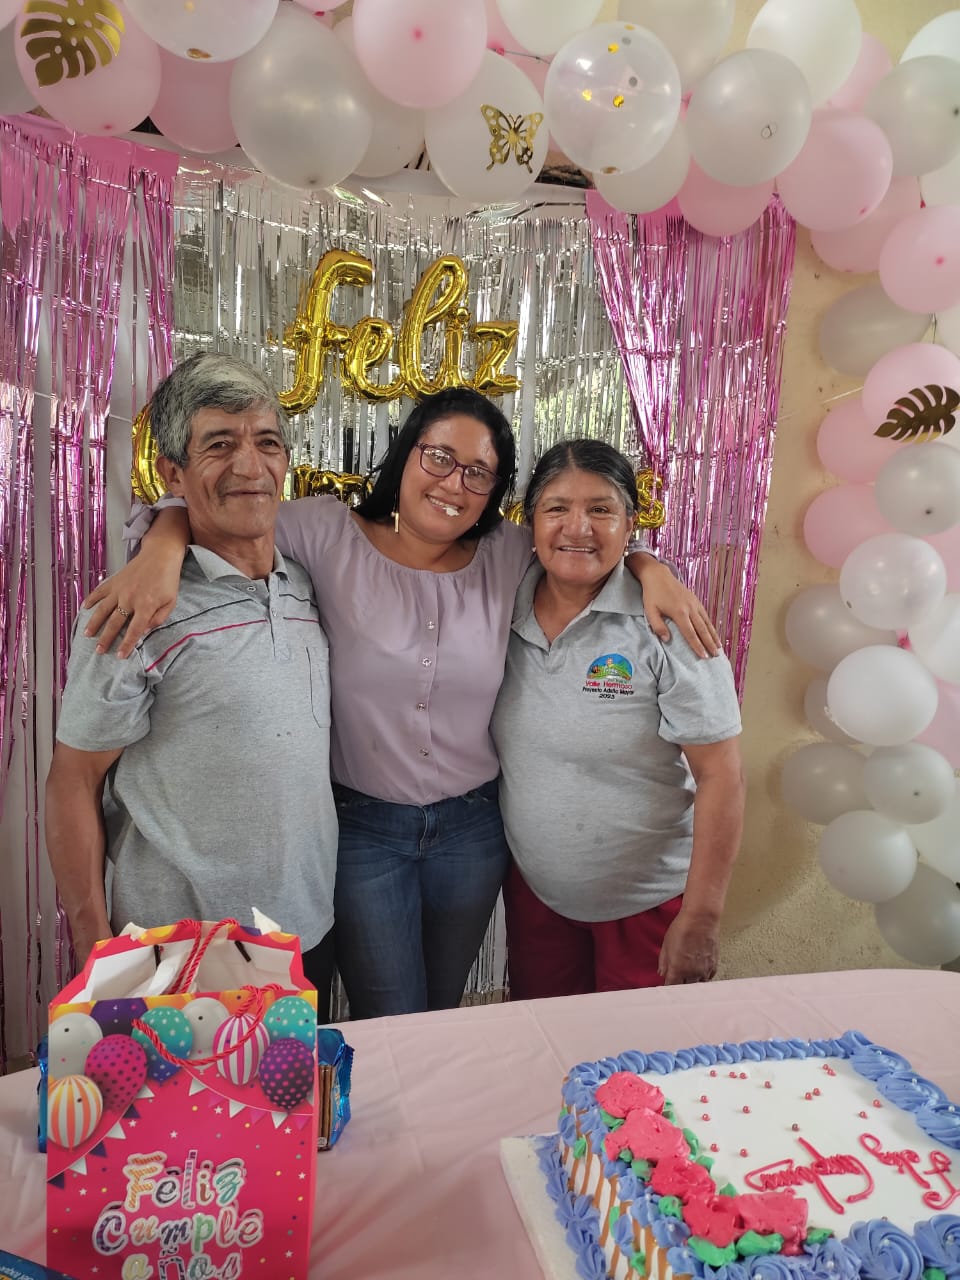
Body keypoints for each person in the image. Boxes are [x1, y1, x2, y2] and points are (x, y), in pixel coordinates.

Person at [83, 385, 720, 1018]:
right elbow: (228, 512)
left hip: (473, 831)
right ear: (406, 453)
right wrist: (162, 546)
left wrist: (650, 567)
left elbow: (583, 541)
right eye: (438, 457)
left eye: (478, 472)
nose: (453, 483)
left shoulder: (505, 554)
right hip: (365, 830)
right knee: (390, 1014)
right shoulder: (325, 532)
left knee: (439, 1012)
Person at [45, 353, 339, 1009]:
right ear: (173, 473)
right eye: (220, 445)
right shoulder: (133, 610)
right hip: (179, 951)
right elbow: (73, 781)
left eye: (267, 443)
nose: (249, 466)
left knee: (294, 1079)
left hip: (304, 929)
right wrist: (96, 949)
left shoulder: (306, 584)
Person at [490, 439, 745, 998]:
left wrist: (702, 916)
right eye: (557, 508)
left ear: (630, 523)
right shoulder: (500, 605)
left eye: (601, 509)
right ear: (529, 520)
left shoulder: (669, 623)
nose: (577, 527)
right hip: (540, 902)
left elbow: (721, 775)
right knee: (547, 1040)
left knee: (639, 1053)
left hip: (647, 908)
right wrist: (647, 563)